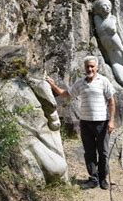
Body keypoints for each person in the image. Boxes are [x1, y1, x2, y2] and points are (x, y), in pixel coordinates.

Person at [46, 56, 116, 190]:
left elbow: (112, 101)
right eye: (87, 66)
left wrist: (111, 121)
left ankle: (103, 179)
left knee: (103, 152)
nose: (89, 69)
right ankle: (93, 179)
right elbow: (66, 94)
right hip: (85, 123)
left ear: (97, 67)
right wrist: (53, 85)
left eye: (92, 66)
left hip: (102, 123)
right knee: (89, 152)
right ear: (84, 68)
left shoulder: (104, 81)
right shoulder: (80, 83)